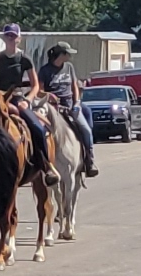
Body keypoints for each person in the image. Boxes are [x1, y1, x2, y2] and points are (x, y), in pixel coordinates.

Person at [0, 24, 53, 179]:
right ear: (4, 37)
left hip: (17, 98)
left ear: (19, 39)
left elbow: (35, 85)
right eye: (8, 35)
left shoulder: (25, 59)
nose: (11, 39)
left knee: (37, 127)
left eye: (14, 36)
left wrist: (27, 100)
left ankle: (45, 164)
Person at [37, 42, 99, 177]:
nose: (70, 56)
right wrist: (49, 95)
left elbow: (74, 86)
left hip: (70, 106)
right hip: (52, 108)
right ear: (61, 54)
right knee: (41, 132)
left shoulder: (69, 67)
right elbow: (39, 91)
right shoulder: (45, 70)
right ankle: (41, 163)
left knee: (86, 130)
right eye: (68, 53)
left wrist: (77, 102)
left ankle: (89, 160)